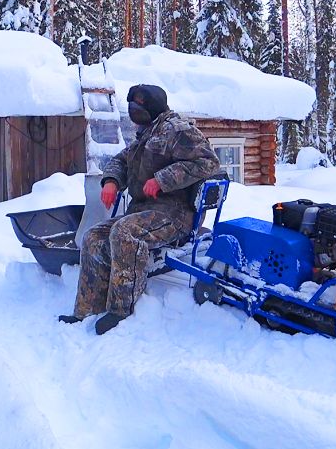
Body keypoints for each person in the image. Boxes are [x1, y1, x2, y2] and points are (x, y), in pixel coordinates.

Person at [59, 84, 220, 334]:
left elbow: (208, 162)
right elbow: (122, 160)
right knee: (93, 237)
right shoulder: (146, 132)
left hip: (175, 214)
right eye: (131, 107)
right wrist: (111, 181)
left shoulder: (177, 130)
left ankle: (121, 310)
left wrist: (163, 179)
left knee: (125, 233)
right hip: (144, 210)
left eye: (139, 107)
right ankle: (87, 309)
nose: (134, 113)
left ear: (153, 107)